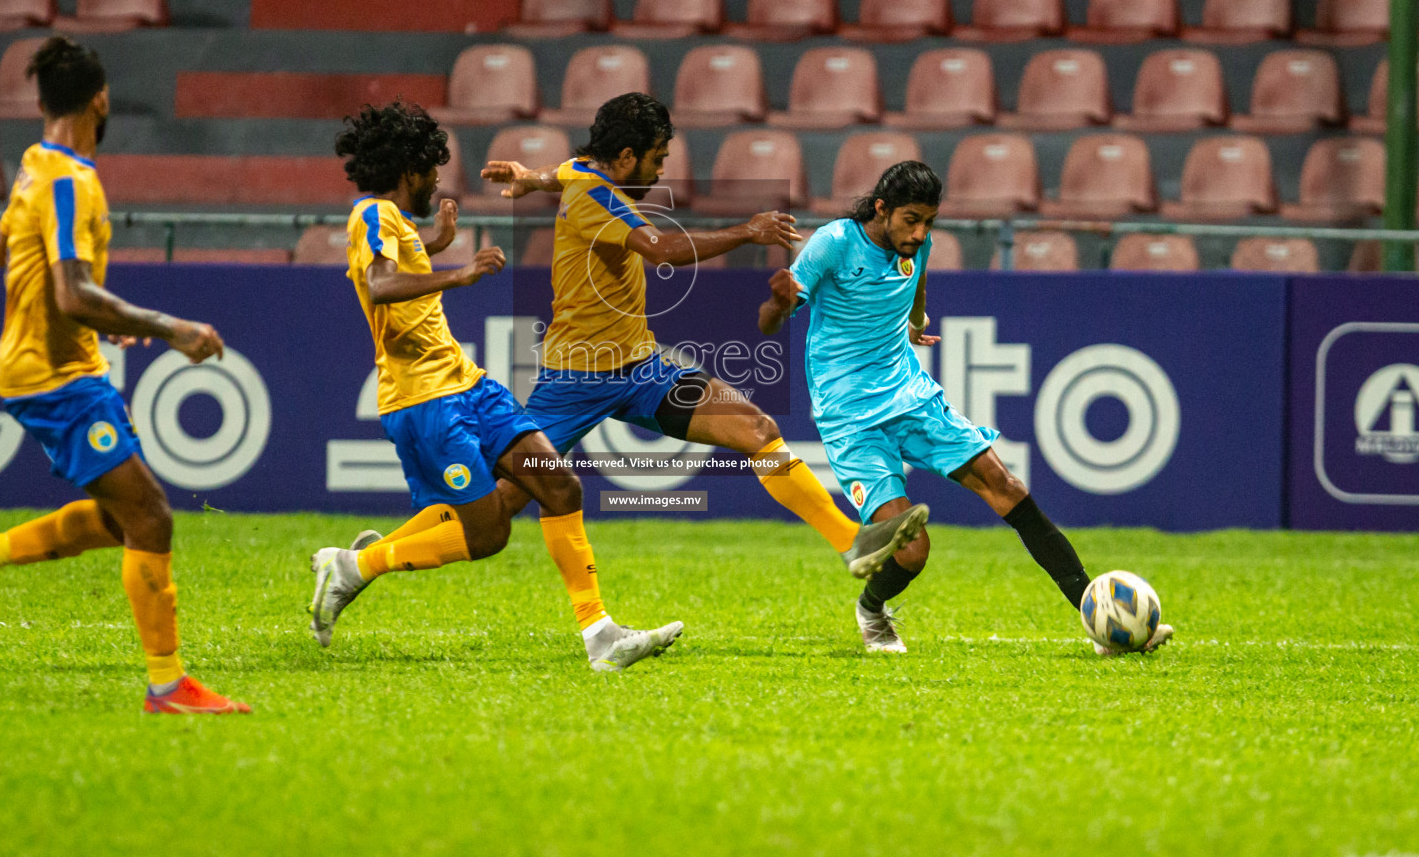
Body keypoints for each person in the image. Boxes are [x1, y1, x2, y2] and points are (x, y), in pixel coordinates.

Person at [481, 93, 928, 586]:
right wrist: (748, 231)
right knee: (498, 509)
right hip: (577, 376)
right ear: (627, 157)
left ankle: (851, 541)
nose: (660, 171)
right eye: (657, 159)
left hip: (640, 367)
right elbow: (662, 248)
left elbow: (562, 171)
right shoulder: (596, 197)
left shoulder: (587, 171)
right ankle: (381, 555)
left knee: (756, 429)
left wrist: (529, 177)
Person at [0, 35, 250, 713]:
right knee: (152, 516)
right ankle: (167, 685)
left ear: (44, 100)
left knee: (119, 520)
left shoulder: (33, 165)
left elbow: (1, 251)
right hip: (56, 376)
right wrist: (174, 329)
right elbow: (73, 291)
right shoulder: (72, 179)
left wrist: (76, 312)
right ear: (100, 98)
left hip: (50, 364)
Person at [308, 101, 682, 672]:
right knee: (487, 534)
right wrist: (459, 270)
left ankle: (600, 637)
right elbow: (381, 285)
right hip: (423, 399)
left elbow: (391, 266)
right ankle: (355, 567)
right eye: (433, 168)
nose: (438, 178)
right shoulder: (372, 215)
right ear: (408, 170)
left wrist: (434, 242)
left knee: (560, 488)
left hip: (468, 384)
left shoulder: (394, 222)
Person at [756, 160, 1173, 655]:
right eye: (911, 220)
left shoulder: (918, 245)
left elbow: (918, 283)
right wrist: (778, 304)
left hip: (910, 395)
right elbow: (767, 323)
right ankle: (871, 610)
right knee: (911, 549)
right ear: (882, 209)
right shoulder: (834, 244)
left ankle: (1100, 615)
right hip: (849, 417)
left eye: (929, 222)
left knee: (1007, 486)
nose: (920, 232)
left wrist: (912, 323)